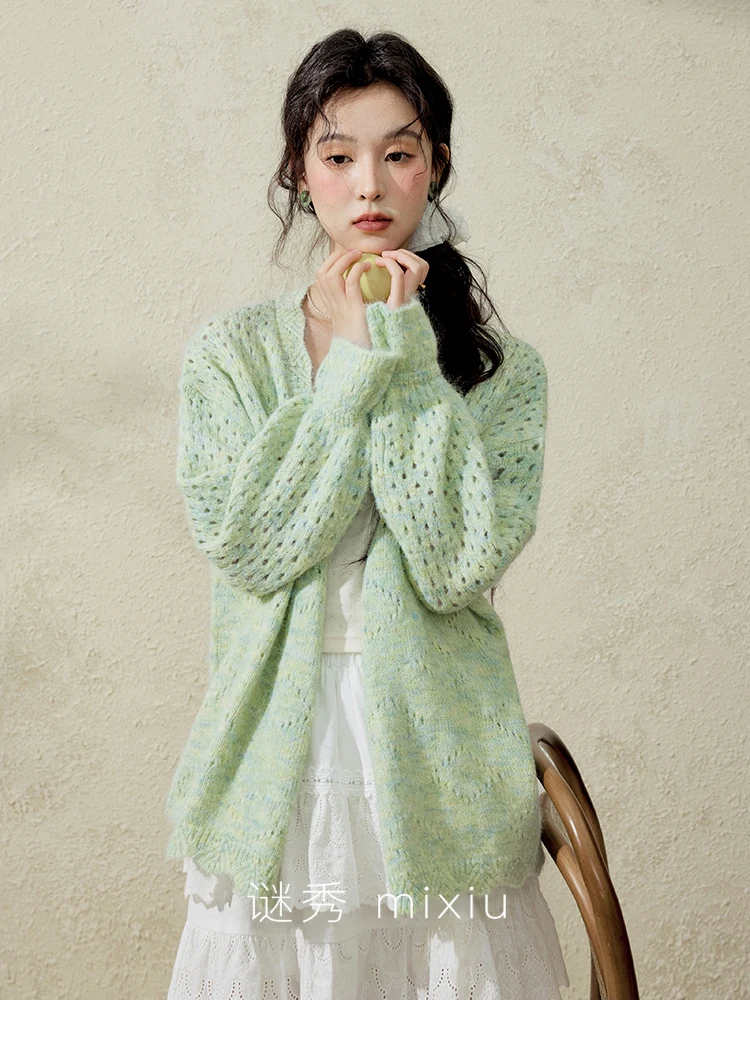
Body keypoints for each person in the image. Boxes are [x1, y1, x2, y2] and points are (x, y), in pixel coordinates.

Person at [166, 27, 570, 1000]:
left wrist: (400, 350)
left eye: (399, 152)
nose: (370, 185)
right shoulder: (231, 354)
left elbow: (456, 563)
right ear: (298, 172)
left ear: (437, 166)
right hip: (277, 756)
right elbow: (253, 547)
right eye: (339, 155)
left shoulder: (502, 373)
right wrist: (350, 367)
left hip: (441, 753)